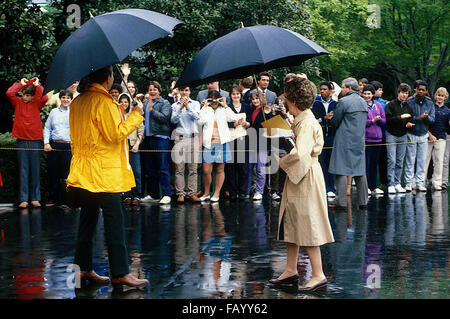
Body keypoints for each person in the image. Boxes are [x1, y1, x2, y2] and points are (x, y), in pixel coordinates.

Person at [67, 65, 148, 288]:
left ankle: (83, 268)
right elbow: (115, 134)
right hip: (104, 173)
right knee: (114, 221)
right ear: (108, 78)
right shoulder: (103, 102)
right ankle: (121, 272)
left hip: (84, 170)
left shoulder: (78, 102)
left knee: (87, 220)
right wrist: (135, 116)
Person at [269, 77, 334, 292]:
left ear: (294, 100)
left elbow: (300, 154)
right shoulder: (303, 118)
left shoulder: (306, 122)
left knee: (308, 222)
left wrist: (281, 160)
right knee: (291, 220)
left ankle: (318, 274)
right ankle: (290, 269)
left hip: (305, 176)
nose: (286, 101)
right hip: (300, 176)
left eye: (288, 98)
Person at [6, 77, 48, 208]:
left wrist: (38, 85)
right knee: (23, 170)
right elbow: (9, 93)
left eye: (28, 95)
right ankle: (23, 199)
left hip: (35, 140)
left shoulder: (37, 103)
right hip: (22, 140)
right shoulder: (17, 103)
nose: (25, 97)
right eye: (24, 94)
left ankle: (35, 198)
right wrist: (21, 84)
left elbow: (45, 98)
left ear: (32, 96)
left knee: (35, 170)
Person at [328, 78, 369, 210]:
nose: (342, 90)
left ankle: (341, 202)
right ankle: (363, 202)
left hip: (344, 139)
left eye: (343, 87)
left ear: (349, 88)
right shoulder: (364, 102)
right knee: (360, 171)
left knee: (341, 170)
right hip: (359, 140)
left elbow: (335, 121)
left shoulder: (344, 101)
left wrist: (331, 119)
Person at [198, 90, 244, 202]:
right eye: (211, 99)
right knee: (206, 170)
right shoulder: (205, 110)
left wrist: (225, 105)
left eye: (216, 99)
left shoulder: (223, 110)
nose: (214, 102)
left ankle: (216, 193)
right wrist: (204, 106)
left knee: (220, 169)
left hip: (221, 143)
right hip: (208, 143)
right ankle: (206, 192)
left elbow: (234, 118)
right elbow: (199, 121)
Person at [140, 81, 173, 204]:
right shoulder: (144, 103)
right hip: (148, 138)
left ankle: (166, 194)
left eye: (154, 89)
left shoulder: (164, 103)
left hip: (160, 138)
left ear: (159, 91)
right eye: (150, 90)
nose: (152, 92)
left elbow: (165, 118)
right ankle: (153, 194)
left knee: (162, 167)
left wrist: (152, 110)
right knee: (150, 168)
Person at [170, 85, 202, 203]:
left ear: (190, 91)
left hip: (193, 137)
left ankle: (192, 193)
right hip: (180, 137)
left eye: (187, 90)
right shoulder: (174, 105)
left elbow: (197, 117)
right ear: (179, 91)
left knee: (193, 168)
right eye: (182, 90)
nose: (184, 92)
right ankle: (180, 193)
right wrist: (181, 107)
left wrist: (187, 106)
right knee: (179, 167)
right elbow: (173, 120)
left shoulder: (195, 103)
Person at [404, 80, 435, 192]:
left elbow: (432, 120)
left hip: (423, 134)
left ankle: (420, 182)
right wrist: (418, 118)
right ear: (415, 90)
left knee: (422, 160)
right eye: (419, 89)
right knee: (410, 159)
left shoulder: (430, 103)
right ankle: (408, 182)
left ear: (426, 91)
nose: (421, 92)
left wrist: (426, 118)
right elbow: (408, 117)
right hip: (411, 133)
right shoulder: (410, 101)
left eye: (423, 90)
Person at [43, 90, 73, 206]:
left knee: (68, 174)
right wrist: (46, 143)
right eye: (63, 97)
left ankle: (67, 199)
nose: (65, 100)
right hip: (54, 145)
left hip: (68, 146)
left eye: (68, 98)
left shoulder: (74, 112)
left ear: (71, 100)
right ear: (60, 99)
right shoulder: (53, 112)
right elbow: (47, 128)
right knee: (53, 173)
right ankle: (53, 198)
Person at [384, 83, 414, 194]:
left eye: (406, 93)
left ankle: (397, 183)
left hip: (403, 135)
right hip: (391, 134)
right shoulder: (391, 105)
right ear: (398, 93)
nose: (404, 95)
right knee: (391, 160)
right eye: (402, 93)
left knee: (400, 161)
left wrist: (410, 124)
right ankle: (390, 184)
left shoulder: (409, 107)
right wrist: (400, 117)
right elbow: (388, 120)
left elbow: (411, 119)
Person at [224, 85, 252, 200]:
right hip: (230, 138)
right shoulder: (227, 107)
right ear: (230, 96)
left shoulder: (246, 107)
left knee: (243, 166)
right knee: (230, 166)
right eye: (233, 94)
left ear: (241, 95)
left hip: (243, 138)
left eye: (237, 94)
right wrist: (233, 124)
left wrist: (247, 124)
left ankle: (243, 191)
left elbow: (250, 121)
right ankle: (232, 191)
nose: (236, 96)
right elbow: (224, 123)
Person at [312, 81, 338, 197]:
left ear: (330, 91)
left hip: (332, 137)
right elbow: (313, 121)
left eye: (324, 89)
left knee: (331, 163)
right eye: (321, 89)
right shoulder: (316, 104)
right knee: (321, 163)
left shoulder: (336, 104)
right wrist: (324, 118)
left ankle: (331, 187)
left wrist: (333, 120)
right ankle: (322, 187)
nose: (322, 91)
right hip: (320, 137)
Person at [118, 93, 145, 205]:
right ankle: (127, 194)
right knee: (124, 170)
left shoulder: (133, 114)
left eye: (126, 102)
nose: (124, 104)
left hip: (133, 144)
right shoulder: (117, 115)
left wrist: (137, 144)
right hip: (121, 147)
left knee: (136, 171)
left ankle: (137, 195)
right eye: (122, 101)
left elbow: (141, 129)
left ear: (129, 103)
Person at [248, 89, 274, 200]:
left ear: (262, 99)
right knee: (250, 168)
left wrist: (268, 114)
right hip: (252, 142)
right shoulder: (251, 110)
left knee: (260, 168)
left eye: (257, 98)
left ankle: (259, 191)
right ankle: (250, 189)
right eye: (253, 99)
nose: (255, 101)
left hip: (263, 142)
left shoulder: (266, 110)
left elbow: (270, 124)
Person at [362, 84, 386, 195]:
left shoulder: (378, 105)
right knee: (366, 164)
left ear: (372, 95)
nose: (367, 96)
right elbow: (361, 123)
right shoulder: (361, 105)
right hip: (367, 139)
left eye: (369, 94)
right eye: (365, 93)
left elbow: (384, 121)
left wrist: (378, 120)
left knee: (374, 164)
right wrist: (372, 121)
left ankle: (374, 186)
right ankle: (365, 186)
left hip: (378, 139)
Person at [425, 87, 450, 191]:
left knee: (439, 161)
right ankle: (421, 182)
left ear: (445, 98)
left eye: (442, 96)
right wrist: (430, 134)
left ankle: (437, 182)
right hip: (429, 137)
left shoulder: (448, 110)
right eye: (438, 95)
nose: (440, 97)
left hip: (441, 138)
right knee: (425, 160)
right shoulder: (430, 107)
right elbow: (425, 124)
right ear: (436, 96)